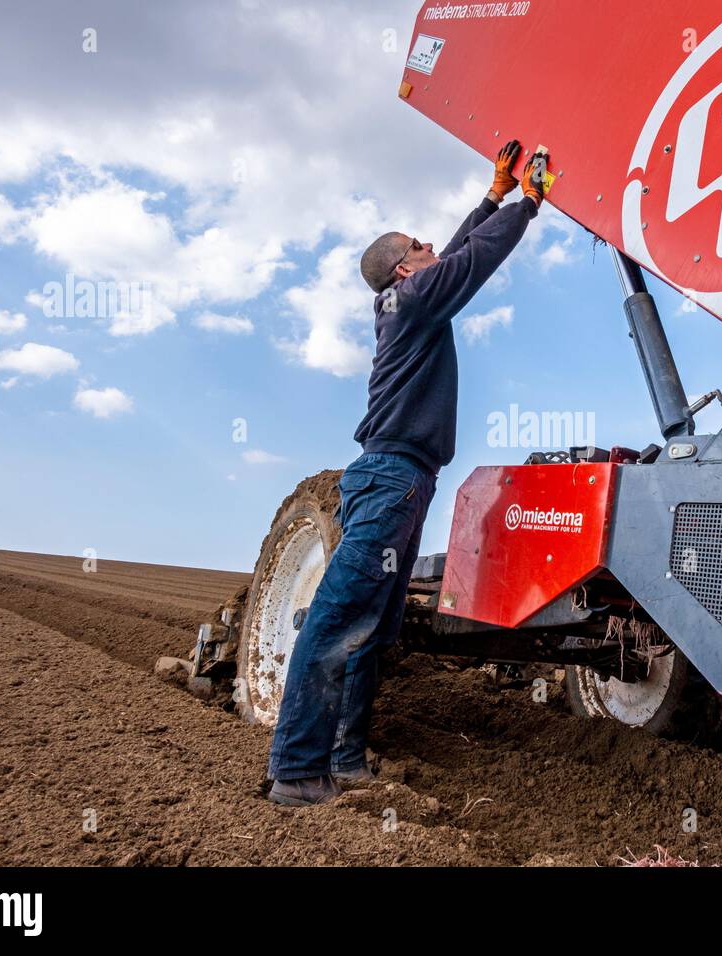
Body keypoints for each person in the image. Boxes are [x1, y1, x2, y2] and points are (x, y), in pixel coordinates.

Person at [266, 140, 548, 805]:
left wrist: (493, 195)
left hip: (403, 479)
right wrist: (529, 205)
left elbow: (449, 259)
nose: (432, 247)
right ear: (401, 268)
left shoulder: (408, 300)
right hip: (392, 477)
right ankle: (298, 772)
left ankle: (345, 757)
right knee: (338, 621)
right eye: (418, 244)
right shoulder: (413, 299)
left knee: (371, 630)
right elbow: (469, 264)